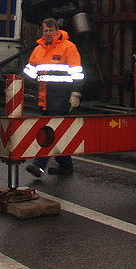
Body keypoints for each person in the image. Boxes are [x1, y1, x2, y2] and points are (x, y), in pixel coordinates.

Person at [23, 17, 84, 177]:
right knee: (57, 132)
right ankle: (65, 166)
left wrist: (75, 94)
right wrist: (17, 81)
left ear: (57, 31)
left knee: (49, 131)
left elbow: (77, 72)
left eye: (51, 30)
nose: (48, 33)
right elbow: (30, 71)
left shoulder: (68, 47)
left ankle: (39, 164)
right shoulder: (39, 49)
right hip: (44, 98)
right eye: (45, 30)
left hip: (61, 97)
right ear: (42, 31)